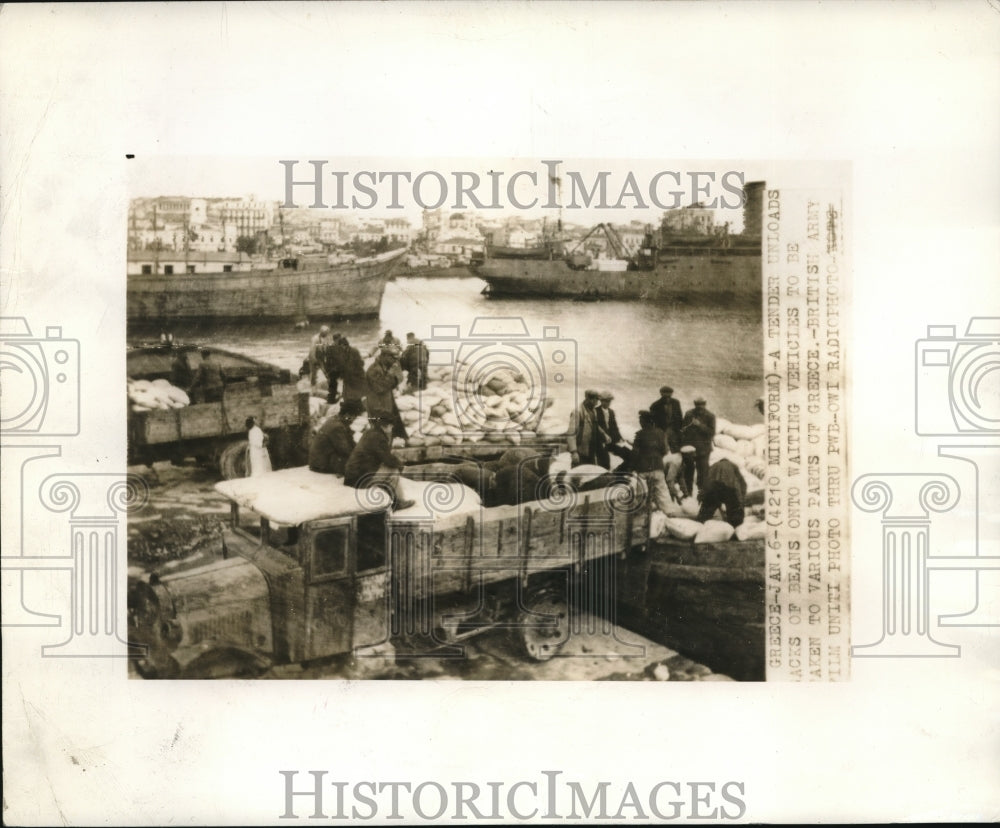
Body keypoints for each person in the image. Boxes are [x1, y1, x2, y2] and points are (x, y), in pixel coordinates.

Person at [344, 416, 414, 510]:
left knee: (387, 469)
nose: (392, 428)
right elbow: (388, 460)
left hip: (352, 477)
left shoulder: (370, 432)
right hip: (359, 480)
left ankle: (393, 499)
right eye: (391, 426)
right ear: (386, 426)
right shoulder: (379, 437)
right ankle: (398, 503)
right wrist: (401, 465)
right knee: (393, 471)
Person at [629, 410, 675, 516]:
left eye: (641, 420)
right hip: (657, 467)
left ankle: (642, 514)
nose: (640, 422)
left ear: (645, 421)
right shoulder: (660, 433)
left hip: (643, 469)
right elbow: (665, 451)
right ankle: (670, 513)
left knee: (641, 493)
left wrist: (631, 467)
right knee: (662, 492)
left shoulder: (639, 435)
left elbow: (635, 453)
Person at [309, 399, 363, 475]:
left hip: (321, 460)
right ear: (347, 415)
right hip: (321, 464)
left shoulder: (337, 420)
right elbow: (346, 450)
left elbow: (351, 442)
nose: (353, 420)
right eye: (354, 417)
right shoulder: (337, 427)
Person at [365, 347, 407, 441]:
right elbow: (380, 388)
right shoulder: (374, 370)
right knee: (380, 435)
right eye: (393, 358)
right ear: (384, 356)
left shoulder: (384, 368)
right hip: (378, 407)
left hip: (386, 404)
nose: (395, 361)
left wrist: (396, 377)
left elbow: (392, 384)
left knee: (389, 433)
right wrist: (391, 375)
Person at [696, 458, 747, 528]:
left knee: (705, 512)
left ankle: (700, 524)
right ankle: (735, 526)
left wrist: (701, 496)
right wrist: (741, 502)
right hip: (728, 489)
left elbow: (706, 482)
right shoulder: (733, 466)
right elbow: (740, 484)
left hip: (713, 489)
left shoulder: (714, 466)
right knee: (735, 512)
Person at [680, 396, 716, 492]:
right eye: (697, 405)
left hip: (703, 449)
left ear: (705, 404)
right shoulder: (689, 414)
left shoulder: (710, 416)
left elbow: (711, 432)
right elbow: (683, 430)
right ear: (694, 404)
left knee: (703, 473)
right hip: (690, 449)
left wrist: (699, 425)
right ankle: (688, 492)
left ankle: (702, 494)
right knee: (688, 472)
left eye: (701, 405)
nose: (700, 407)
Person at [566, 389, 601, 466]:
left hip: (591, 451)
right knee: (578, 474)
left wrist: (604, 435)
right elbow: (571, 433)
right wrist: (574, 452)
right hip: (580, 451)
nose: (597, 402)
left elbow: (595, 425)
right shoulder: (578, 412)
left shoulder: (593, 411)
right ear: (589, 399)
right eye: (596, 400)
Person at [595, 391, 629, 469]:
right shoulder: (595, 411)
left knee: (626, 453)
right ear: (601, 401)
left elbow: (614, 426)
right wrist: (603, 438)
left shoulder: (611, 412)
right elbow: (595, 427)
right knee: (604, 460)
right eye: (606, 401)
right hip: (600, 440)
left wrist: (620, 438)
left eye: (609, 401)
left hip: (611, 439)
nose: (608, 403)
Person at [649, 385, 683, 452]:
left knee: (675, 449)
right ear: (661, 393)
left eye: (669, 393)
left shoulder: (676, 403)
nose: (668, 395)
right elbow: (652, 420)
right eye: (665, 393)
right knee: (662, 449)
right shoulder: (655, 405)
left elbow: (680, 416)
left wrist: (680, 428)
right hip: (661, 430)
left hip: (674, 430)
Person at [337, 336, 367, 408]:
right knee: (347, 394)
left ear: (345, 345)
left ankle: (359, 406)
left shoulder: (354, 351)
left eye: (341, 347)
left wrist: (353, 371)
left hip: (357, 376)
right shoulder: (342, 352)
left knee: (357, 394)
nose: (340, 349)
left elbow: (361, 364)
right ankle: (348, 404)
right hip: (347, 377)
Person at [321, 333, 345, 403]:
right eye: (339, 339)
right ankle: (331, 400)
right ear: (336, 339)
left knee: (343, 382)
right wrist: (327, 371)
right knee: (333, 385)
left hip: (339, 368)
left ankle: (342, 396)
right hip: (333, 369)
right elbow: (327, 360)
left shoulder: (341, 347)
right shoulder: (330, 348)